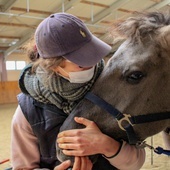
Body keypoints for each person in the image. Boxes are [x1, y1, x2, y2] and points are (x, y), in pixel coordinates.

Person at [11, 13, 145, 170]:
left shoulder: (115, 89)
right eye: (82, 63)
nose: (94, 64)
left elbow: (137, 161)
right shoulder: (27, 111)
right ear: (54, 66)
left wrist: (109, 146)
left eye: (94, 54)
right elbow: (22, 167)